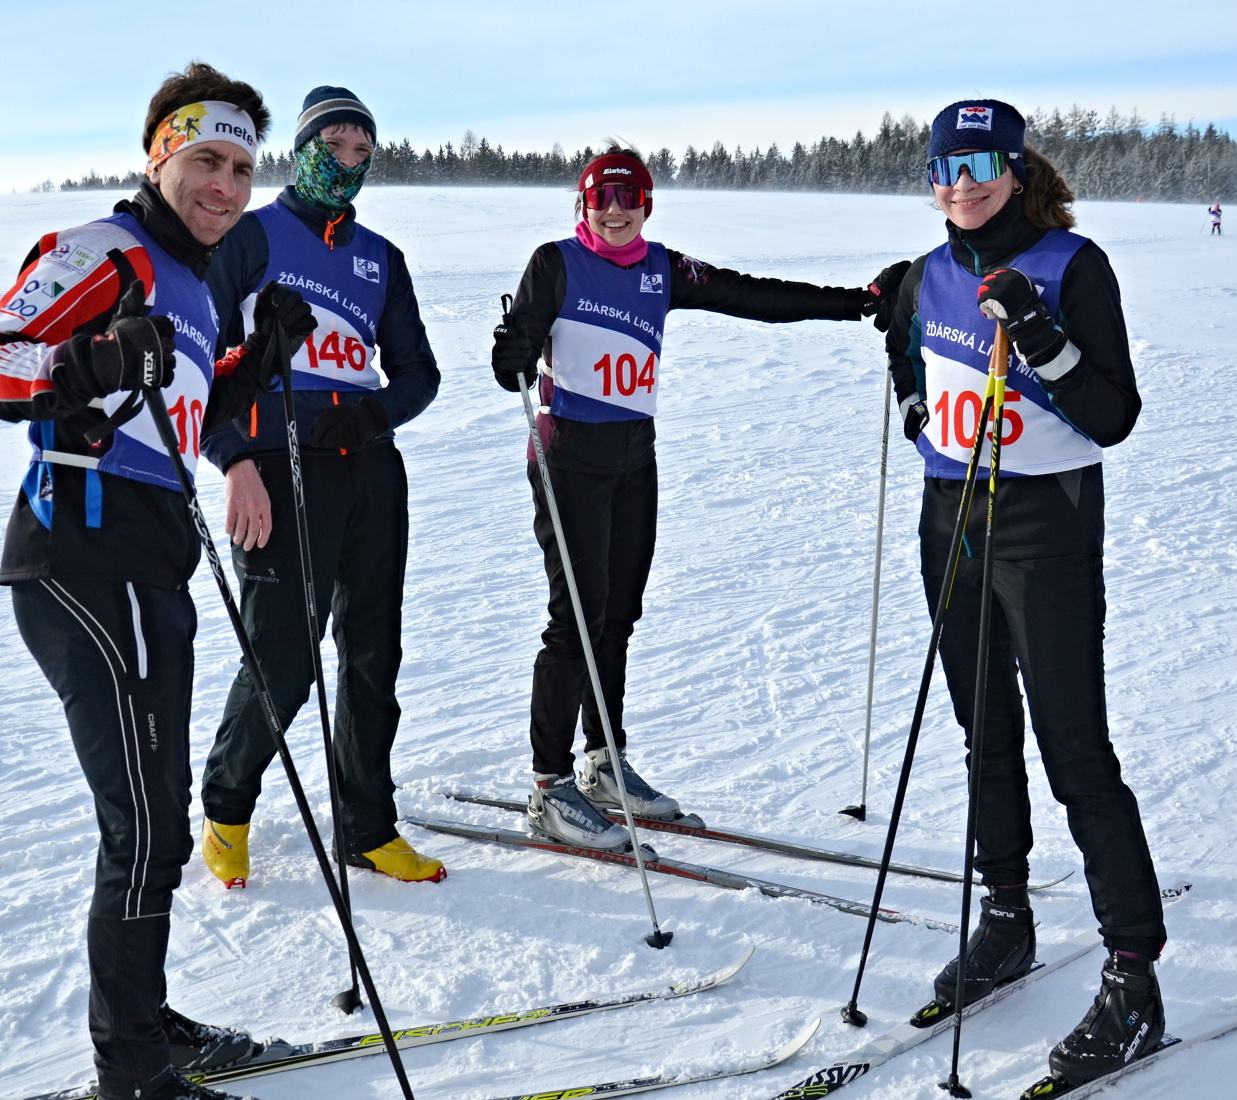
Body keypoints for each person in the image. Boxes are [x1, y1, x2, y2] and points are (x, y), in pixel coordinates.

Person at [0, 63, 316, 1100]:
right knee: (145, 826)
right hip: (82, 552)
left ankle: (145, 1024)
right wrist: (90, 363)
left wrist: (254, 361)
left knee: (156, 819)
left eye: (242, 168)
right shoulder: (108, 252)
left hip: (151, 561)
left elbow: (172, 419)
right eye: (207, 160)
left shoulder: (193, 287)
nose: (226, 186)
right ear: (161, 157)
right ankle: (133, 1075)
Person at [491, 145, 908, 850]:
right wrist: (512, 353)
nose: (615, 211)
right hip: (568, 460)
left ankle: (603, 763)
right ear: (583, 205)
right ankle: (549, 787)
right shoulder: (556, 263)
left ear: (647, 205)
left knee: (617, 616)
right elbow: (521, 339)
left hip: (634, 459)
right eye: (602, 198)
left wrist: (854, 304)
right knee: (576, 621)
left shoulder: (664, 269)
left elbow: (750, 295)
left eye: (629, 198)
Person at [884, 99, 1167, 1087]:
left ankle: (1133, 978)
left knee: (1074, 748)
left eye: (979, 165)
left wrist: (1041, 336)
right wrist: (915, 405)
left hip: (1045, 524)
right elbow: (903, 347)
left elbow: (1113, 412)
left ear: (1015, 167)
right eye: (944, 168)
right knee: (984, 732)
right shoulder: (927, 273)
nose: (960, 185)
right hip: (950, 515)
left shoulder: (1071, 265)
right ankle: (1006, 916)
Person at [198, 86, 445, 887]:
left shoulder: (380, 257)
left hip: (368, 465)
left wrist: (373, 415)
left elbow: (419, 372)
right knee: (282, 656)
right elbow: (198, 367)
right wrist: (234, 460)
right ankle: (227, 809)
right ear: (302, 151)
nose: (347, 162)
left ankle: (367, 827)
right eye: (333, 146)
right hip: (277, 461)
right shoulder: (249, 235)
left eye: (362, 151)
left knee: (373, 654)